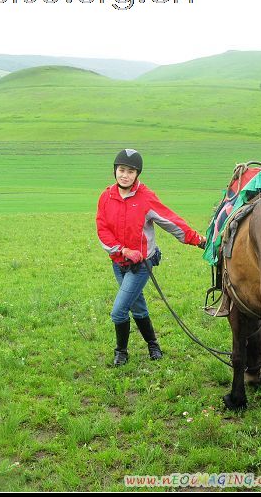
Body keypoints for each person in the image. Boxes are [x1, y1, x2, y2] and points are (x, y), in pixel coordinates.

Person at [96, 149, 206, 366]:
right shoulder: (106, 197)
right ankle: (153, 345)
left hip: (141, 265)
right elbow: (102, 230)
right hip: (119, 263)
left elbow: (171, 221)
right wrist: (122, 250)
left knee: (119, 312)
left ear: (137, 174)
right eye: (121, 170)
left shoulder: (145, 198)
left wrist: (198, 240)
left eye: (130, 171)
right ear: (114, 171)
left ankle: (121, 351)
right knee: (137, 307)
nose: (124, 175)